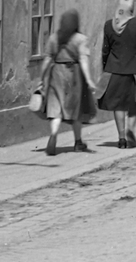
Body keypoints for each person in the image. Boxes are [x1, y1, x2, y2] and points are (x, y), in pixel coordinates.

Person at [38, 9, 97, 155]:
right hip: (73, 75)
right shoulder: (80, 39)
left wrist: (41, 78)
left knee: (55, 109)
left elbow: (47, 60)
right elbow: (83, 59)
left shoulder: (54, 38)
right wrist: (89, 79)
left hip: (56, 73)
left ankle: (53, 133)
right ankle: (78, 142)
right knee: (75, 111)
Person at [100, 0, 136, 149]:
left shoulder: (109, 25)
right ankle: (130, 128)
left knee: (118, 105)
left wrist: (105, 67)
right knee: (135, 103)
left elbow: (105, 50)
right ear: (132, 9)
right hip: (135, 71)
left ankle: (121, 138)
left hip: (115, 70)